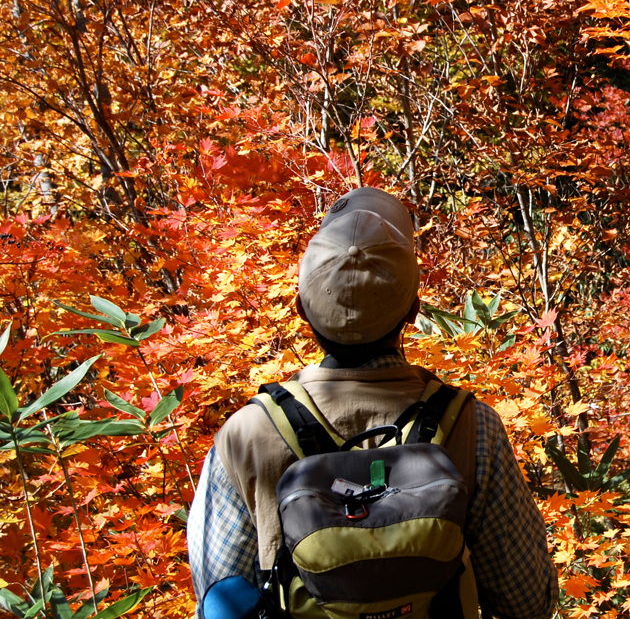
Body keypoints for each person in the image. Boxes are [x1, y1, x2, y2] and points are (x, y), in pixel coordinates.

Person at [187, 187, 558, 619]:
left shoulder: (245, 435)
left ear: (301, 308)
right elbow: (526, 602)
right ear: (413, 311)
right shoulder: (473, 426)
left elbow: (219, 598)